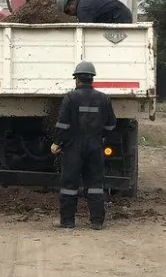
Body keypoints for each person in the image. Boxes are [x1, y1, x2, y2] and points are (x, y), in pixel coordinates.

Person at [50, 61, 117, 230]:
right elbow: (111, 125)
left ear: (77, 79)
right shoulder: (103, 98)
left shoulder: (70, 98)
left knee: (69, 185)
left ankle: (67, 221)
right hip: (95, 146)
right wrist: (102, 138)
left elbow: (63, 125)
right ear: (91, 79)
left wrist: (58, 143)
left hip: (73, 147)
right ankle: (96, 222)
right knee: (95, 184)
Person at [55, 0, 132, 24]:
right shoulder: (84, 2)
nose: (69, 15)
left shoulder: (82, 8)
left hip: (120, 17)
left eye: (67, 11)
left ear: (71, 4)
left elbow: (87, 30)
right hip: (121, 14)